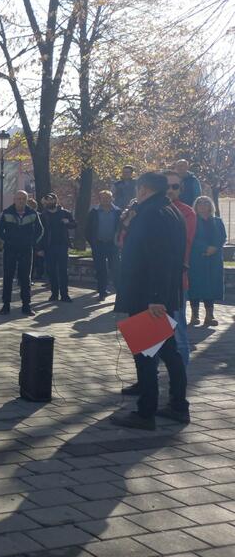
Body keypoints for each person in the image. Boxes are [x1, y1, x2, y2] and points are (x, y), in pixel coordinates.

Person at [112, 172, 188, 430]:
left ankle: (146, 413)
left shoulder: (152, 214)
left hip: (148, 295)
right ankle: (178, 406)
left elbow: (158, 258)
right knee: (168, 351)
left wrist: (154, 298)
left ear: (143, 189)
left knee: (146, 354)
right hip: (161, 293)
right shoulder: (169, 210)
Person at [164, 170, 196, 366]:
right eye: (166, 186)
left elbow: (183, 243)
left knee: (177, 330)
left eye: (174, 186)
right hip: (149, 280)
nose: (170, 190)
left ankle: (180, 380)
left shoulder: (186, 212)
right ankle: (147, 378)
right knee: (150, 331)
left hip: (175, 279)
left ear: (180, 189)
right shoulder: (147, 209)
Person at [0, 190, 44, 316]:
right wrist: (7, 241)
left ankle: (26, 306)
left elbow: (40, 230)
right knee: (8, 277)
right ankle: (6, 305)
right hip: (10, 249)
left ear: (26, 199)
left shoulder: (32, 213)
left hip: (26, 249)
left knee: (25, 278)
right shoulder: (7, 212)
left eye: (23, 198)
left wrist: (32, 242)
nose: (21, 201)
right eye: (19, 198)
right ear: (14, 199)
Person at [188, 196, 226, 327]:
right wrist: (204, 248)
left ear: (211, 206)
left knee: (211, 285)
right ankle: (194, 315)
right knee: (196, 285)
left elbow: (222, 237)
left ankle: (209, 315)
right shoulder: (192, 221)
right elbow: (190, 237)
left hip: (213, 259)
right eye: (200, 203)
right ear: (196, 206)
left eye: (206, 203)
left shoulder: (217, 221)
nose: (203, 206)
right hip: (197, 258)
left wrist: (214, 248)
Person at [38, 193, 77, 303]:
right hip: (48, 247)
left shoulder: (65, 213)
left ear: (56, 201)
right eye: (47, 201)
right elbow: (39, 233)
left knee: (63, 271)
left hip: (62, 245)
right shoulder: (42, 215)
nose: (49, 202)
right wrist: (39, 248)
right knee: (51, 271)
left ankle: (65, 294)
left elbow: (74, 225)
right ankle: (54, 294)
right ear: (45, 203)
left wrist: (68, 222)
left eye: (51, 200)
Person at [85, 190, 121, 301]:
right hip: (99, 245)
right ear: (100, 199)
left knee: (115, 269)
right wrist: (93, 243)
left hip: (113, 245)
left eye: (108, 197)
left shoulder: (118, 212)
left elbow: (122, 228)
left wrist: (119, 242)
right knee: (101, 270)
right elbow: (88, 230)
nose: (105, 200)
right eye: (103, 198)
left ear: (112, 198)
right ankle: (102, 292)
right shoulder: (94, 212)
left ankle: (119, 293)